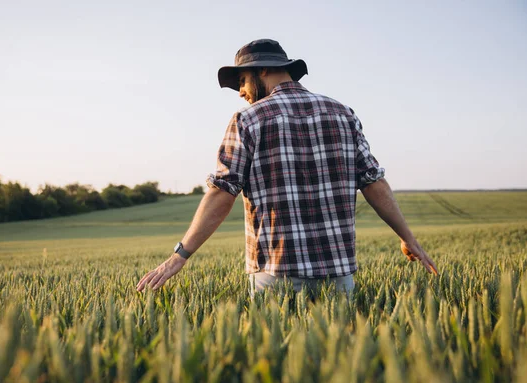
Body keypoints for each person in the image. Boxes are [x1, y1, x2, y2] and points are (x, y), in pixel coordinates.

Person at [136, 39, 438, 296]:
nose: (241, 92)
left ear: (263, 70)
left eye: (242, 81)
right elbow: (374, 183)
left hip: (276, 274)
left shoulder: (248, 119)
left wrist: (179, 256)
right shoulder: (343, 114)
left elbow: (221, 193)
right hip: (338, 274)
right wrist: (408, 239)